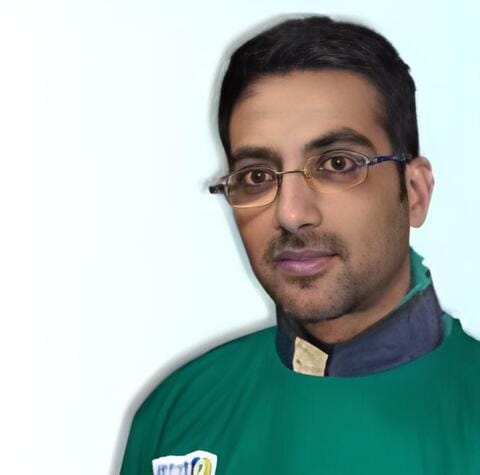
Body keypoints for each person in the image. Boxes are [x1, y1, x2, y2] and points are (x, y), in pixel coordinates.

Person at [120, 16, 480, 475]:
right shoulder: (177, 414)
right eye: (256, 176)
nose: (291, 213)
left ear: (414, 192)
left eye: (337, 164)